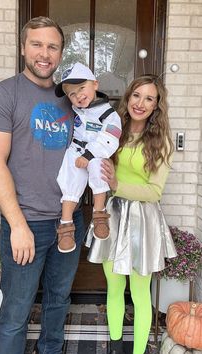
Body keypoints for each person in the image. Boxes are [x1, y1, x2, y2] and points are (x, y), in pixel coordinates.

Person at [0, 16, 85, 354]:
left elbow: (86, 151)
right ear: (23, 48)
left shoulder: (71, 99)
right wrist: (18, 225)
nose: (44, 53)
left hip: (69, 221)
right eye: (36, 44)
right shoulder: (3, 95)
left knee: (58, 300)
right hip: (26, 222)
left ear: (60, 53)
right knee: (17, 309)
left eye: (52, 46)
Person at [86, 75, 177, 354]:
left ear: (157, 106)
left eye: (149, 98)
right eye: (137, 95)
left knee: (139, 293)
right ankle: (115, 347)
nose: (141, 103)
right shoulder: (113, 130)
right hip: (111, 216)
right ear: (128, 97)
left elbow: (154, 191)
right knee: (113, 287)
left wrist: (117, 185)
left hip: (143, 221)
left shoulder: (161, 141)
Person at [55, 62, 122, 253]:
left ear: (95, 84)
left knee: (99, 169)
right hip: (76, 149)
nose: (78, 96)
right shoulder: (74, 111)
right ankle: (66, 225)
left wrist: (90, 154)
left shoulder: (109, 113)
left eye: (82, 88)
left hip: (97, 151)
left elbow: (111, 136)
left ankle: (99, 214)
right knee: (69, 178)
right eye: (72, 94)